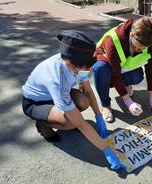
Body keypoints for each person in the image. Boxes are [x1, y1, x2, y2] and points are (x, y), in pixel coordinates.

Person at [22, 30, 125, 170]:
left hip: (56, 95)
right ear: (70, 65)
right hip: (35, 103)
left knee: (84, 101)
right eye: (87, 68)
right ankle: (43, 124)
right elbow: (81, 124)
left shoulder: (78, 61)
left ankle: (60, 115)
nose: (89, 71)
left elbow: (88, 90)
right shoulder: (57, 80)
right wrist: (106, 149)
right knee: (71, 122)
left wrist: (99, 116)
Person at [93, 16, 152, 122]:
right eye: (138, 47)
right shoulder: (113, 41)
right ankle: (106, 105)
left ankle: (125, 85)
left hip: (125, 64)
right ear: (131, 35)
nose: (141, 50)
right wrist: (128, 101)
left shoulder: (148, 40)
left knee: (136, 76)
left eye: (143, 48)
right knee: (100, 69)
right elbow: (115, 74)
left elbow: (151, 68)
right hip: (108, 64)